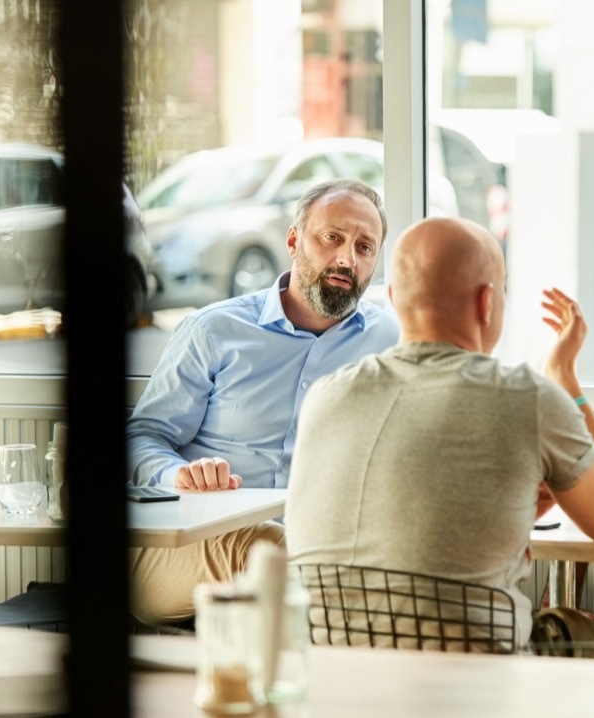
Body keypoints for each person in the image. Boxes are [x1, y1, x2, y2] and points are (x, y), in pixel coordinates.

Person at [284, 216, 594, 654]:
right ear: (487, 302)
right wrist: (564, 379)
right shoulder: (525, 396)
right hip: (475, 676)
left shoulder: (327, 395)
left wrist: (512, 506)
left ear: (396, 299)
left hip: (331, 668)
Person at [125, 178, 401, 623]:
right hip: (192, 547)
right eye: (332, 238)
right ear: (293, 241)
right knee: (271, 551)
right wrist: (179, 475)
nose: (347, 259)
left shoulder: (389, 339)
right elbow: (140, 438)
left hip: (324, 551)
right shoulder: (214, 330)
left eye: (365, 247)